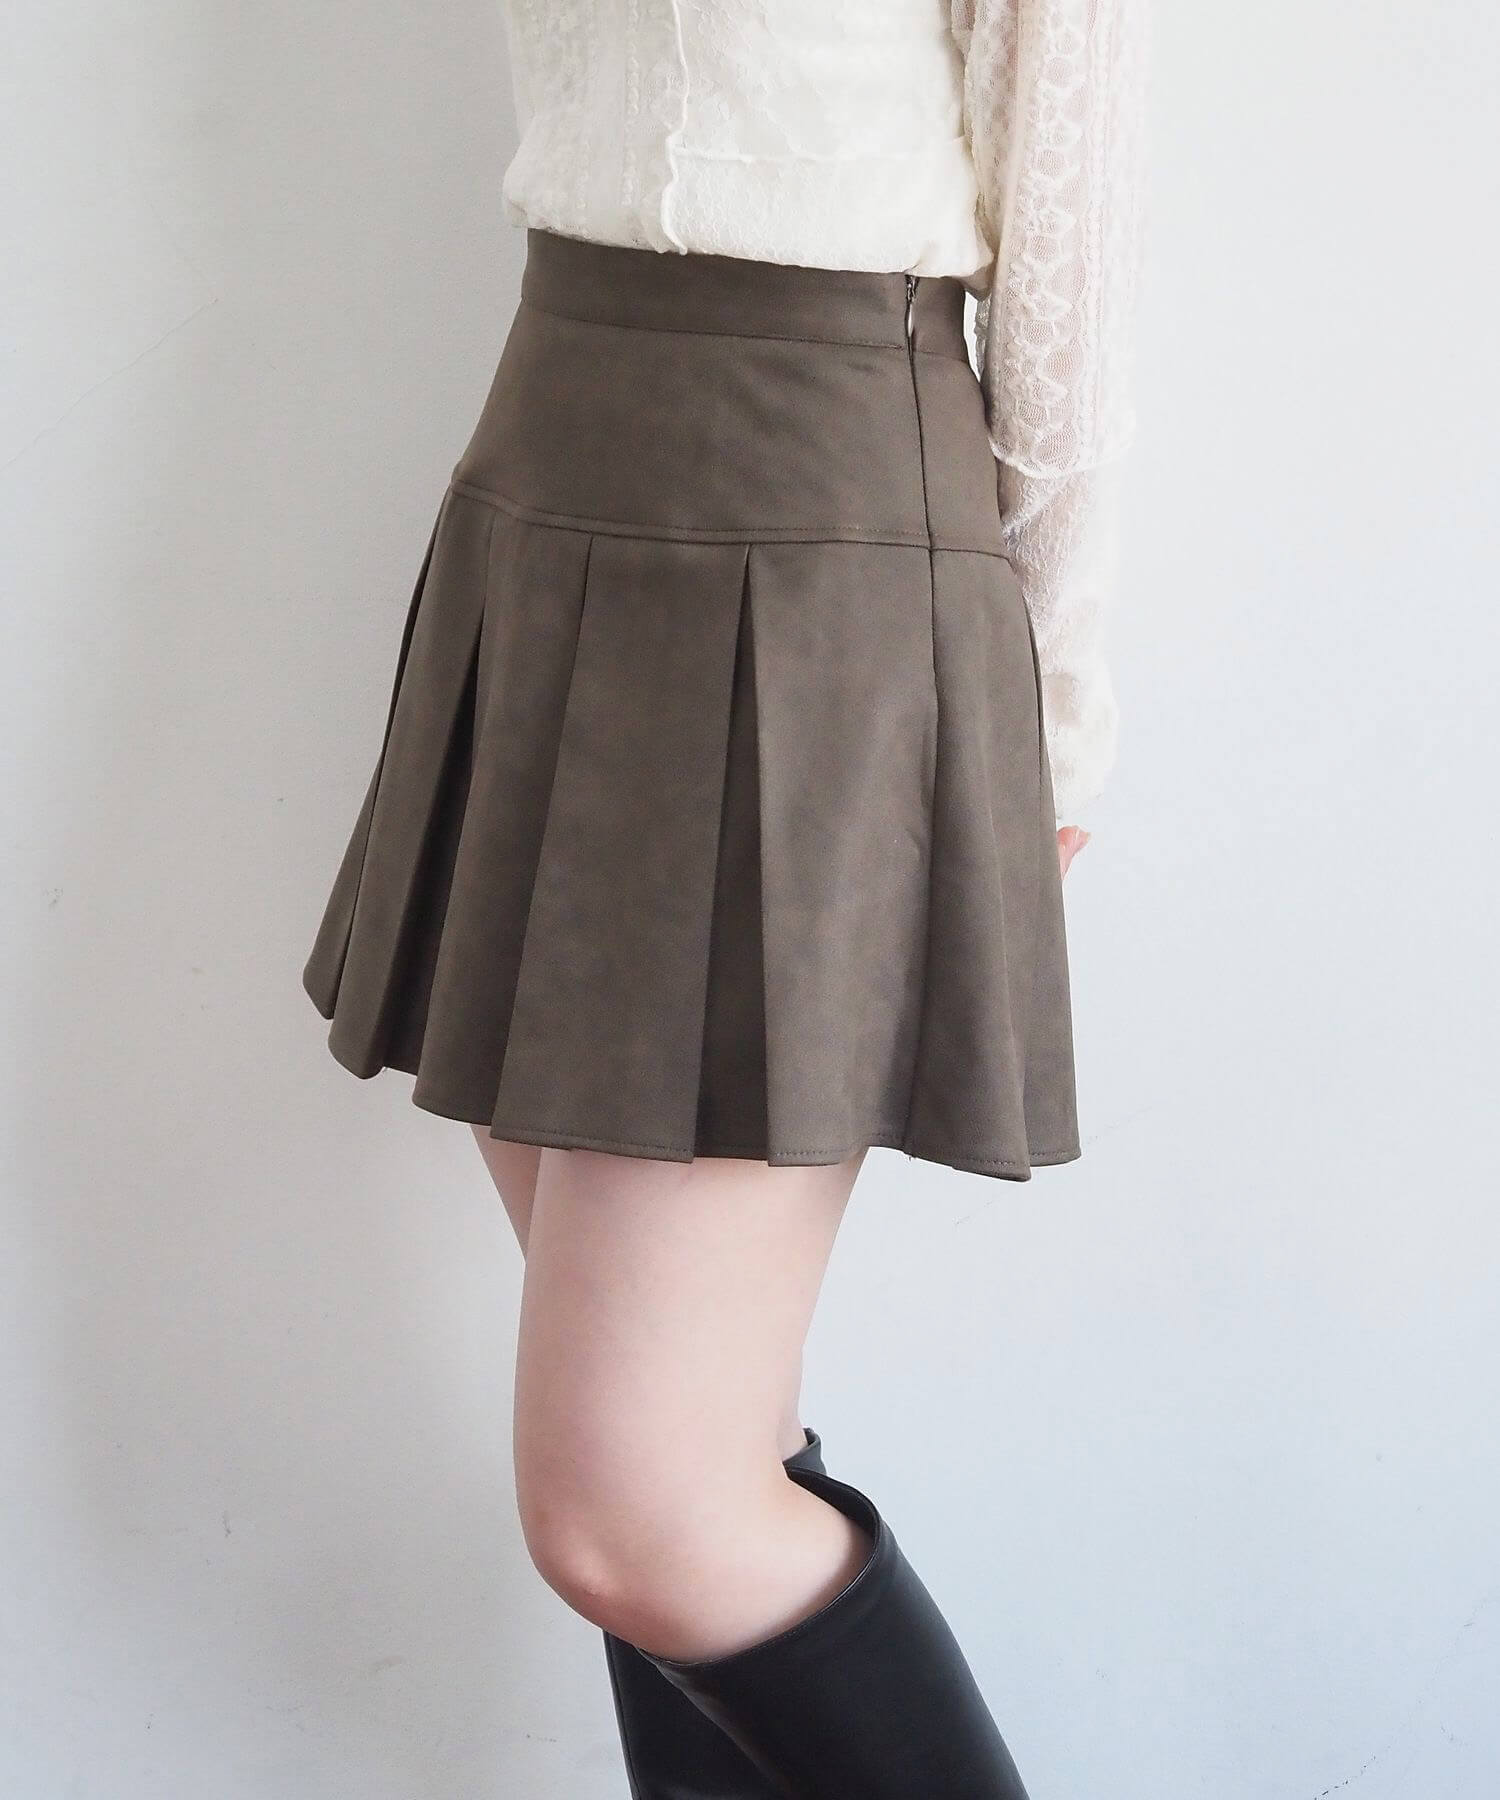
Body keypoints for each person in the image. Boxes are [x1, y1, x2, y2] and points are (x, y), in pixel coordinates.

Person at [302, 1, 1150, 1792]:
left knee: (642, 1506)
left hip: (813, 506)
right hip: (554, 458)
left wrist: (1052, 713)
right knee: (700, 1451)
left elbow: (1072, 236)